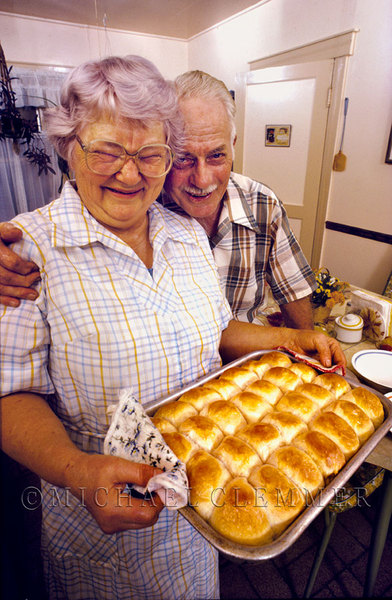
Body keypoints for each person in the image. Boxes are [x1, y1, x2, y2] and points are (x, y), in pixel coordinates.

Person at [0, 55, 345, 600]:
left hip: (199, 503)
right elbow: (10, 393)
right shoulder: (27, 252)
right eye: (108, 151)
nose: (130, 172)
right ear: (70, 148)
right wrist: (76, 471)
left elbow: (217, 328)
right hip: (101, 517)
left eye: (149, 154)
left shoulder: (183, 233)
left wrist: (288, 337)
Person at [0, 72, 316, 330]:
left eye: (217, 155)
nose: (202, 180)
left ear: (233, 145)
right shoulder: (138, 204)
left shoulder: (262, 203)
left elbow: (294, 292)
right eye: (182, 159)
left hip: (248, 365)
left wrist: (305, 348)